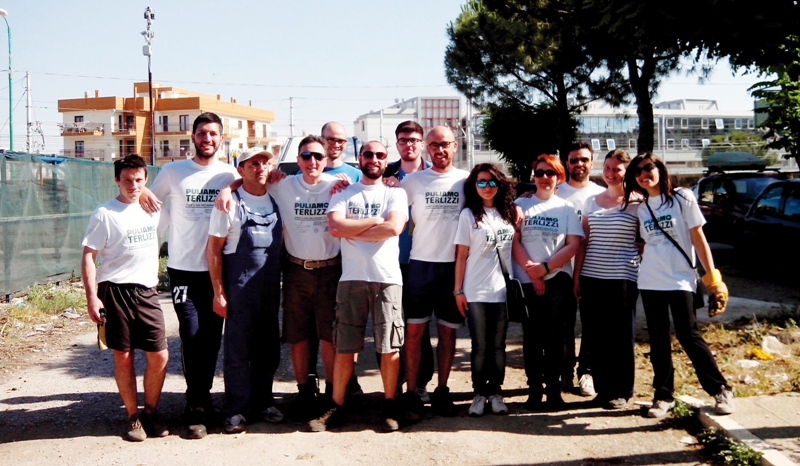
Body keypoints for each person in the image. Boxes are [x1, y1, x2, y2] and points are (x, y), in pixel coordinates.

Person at [143, 112, 239, 439]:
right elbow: (149, 200)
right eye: (201, 133)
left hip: (217, 273)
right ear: (193, 137)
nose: (207, 139)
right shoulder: (173, 172)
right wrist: (140, 192)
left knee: (211, 339)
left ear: (221, 139)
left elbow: (250, 183)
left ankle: (204, 397)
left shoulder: (228, 173)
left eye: (212, 134)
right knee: (191, 333)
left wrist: (231, 187)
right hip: (183, 271)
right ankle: (195, 403)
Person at [622, 152, 734, 419]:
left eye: (648, 167)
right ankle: (663, 396)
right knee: (658, 339)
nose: (644, 174)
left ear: (659, 168)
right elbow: (647, 245)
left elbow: (698, 238)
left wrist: (713, 279)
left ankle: (720, 389)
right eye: (637, 171)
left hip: (681, 279)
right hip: (650, 280)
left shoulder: (682, 197)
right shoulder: (641, 208)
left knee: (688, 334)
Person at [309, 141, 407, 432]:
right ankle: (336, 406)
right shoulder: (344, 192)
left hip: (387, 278)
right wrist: (375, 221)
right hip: (351, 278)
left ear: (386, 160)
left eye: (379, 155)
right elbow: (335, 228)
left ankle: (390, 405)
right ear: (360, 159)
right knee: (344, 346)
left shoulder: (395, 192)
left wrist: (353, 229)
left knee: (389, 346)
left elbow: (394, 228)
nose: (374, 159)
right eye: (368, 154)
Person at [81, 154, 169, 442]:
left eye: (139, 180)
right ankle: (133, 417)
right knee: (124, 357)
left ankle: (151, 412)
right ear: (116, 180)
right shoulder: (104, 213)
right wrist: (92, 298)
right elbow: (89, 255)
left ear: (145, 180)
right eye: (127, 180)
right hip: (115, 291)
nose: (133, 185)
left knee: (159, 355)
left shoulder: (152, 209)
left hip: (147, 291)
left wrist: (146, 192)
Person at [207, 149, 284, 433]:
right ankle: (236, 408)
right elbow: (214, 250)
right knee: (238, 348)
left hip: (269, 284)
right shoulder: (229, 204)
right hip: (239, 286)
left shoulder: (276, 198)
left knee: (268, 347)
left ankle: (263, 402)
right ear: (241, 170)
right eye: (253, 164)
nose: (260, 168)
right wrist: (218, 293)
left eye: (265, 163)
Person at [268, 136, 341, 418]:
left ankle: (332, 395)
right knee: (297, 336)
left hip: (331, 270)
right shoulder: (283, 185)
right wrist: (228, 190)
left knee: (330, 338)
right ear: (298, 160)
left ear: (326, 160)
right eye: (306, 156)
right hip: (297, 270)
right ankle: (304, 394)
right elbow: (249, 181)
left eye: (318, 156)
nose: (312, 161)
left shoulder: (338, 186)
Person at [401, 126, 469, 419]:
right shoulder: (412, 181)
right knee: (414, 332)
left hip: (453, 268)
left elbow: (492, 201)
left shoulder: (466, 180)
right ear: (427, 148)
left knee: (448, 333)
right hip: (420, 265)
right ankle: (412, 392)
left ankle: (442, 390)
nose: (439, 150)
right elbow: (387, 205)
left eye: (444, 144)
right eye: (433, 145)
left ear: (454, 145)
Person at [512, 154, 583, 409]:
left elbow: (573, 244)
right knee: (531, 337)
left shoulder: (566, 209)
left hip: (557, 280)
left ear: (559, 177)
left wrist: (545, 269)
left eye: (550, 173)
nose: (544, 177)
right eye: (539, 172)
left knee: (555, 338)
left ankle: (554, 390)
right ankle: (534, 390)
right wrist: (532, 272)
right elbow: (514, 240)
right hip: (526, 280)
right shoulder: (520, 204)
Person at [572, 149, 640, 409]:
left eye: (617, 169)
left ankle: (622, 390)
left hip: (622, 277)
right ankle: (603, 389)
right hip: (591, 276)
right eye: (608, 168)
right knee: (596, 335)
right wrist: (577, 277)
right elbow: (584, 241)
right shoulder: (591, 201)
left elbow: (644, 242)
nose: (611, 173)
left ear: (627, 172)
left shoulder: (638, 202)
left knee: (620, 336)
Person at [454, 163, 519, 417]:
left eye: (492, 182)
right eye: (481, 182)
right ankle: (479, 393)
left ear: (500, 185)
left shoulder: (508, 213)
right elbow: (461, 255)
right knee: (480, 345)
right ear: (474, 186)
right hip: (475, 290)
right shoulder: (468, 215)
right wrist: (458, 291)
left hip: (502, 290)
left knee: (499, 345)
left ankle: (496, 392)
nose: (487, 187)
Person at [382, 120, 435, 403]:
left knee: (418, 326)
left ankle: (420, 382)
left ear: (422, 143)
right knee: (390, 325)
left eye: (414, 140)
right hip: (389, 261)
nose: (408, 145)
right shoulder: (385, 173)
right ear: (397, 144)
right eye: (403, 140)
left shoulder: (435, 173)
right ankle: (395, 383)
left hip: (423, 261)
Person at [555, 142, 605, 397]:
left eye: (584, 159)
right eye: (574, 160)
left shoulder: (601, 195)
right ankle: (564, 372)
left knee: (591, 326)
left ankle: (587, 372)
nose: (579, 164)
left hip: (592, 270)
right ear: (566, 163)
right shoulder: (556, 192)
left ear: (591, 163)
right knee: (563, 326)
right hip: (561, 271)